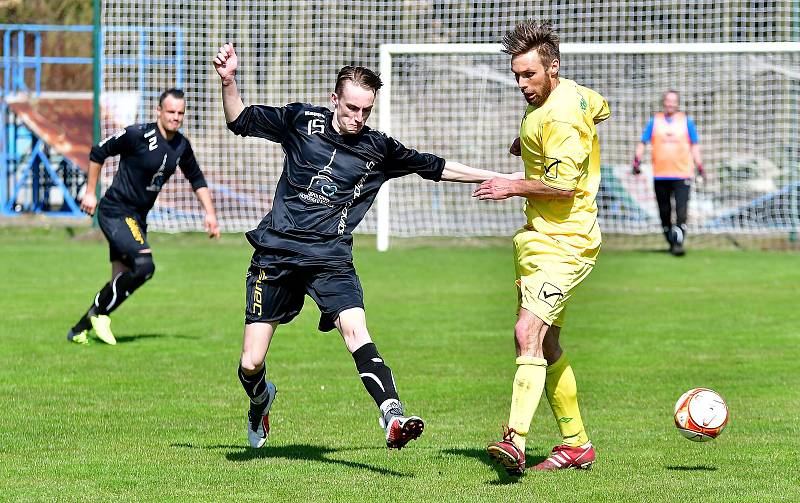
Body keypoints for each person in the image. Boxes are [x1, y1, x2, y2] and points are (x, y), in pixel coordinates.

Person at [213, 43, 518, 450]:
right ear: (334, 99)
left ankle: (392, 414)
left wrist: (503, 178)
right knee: (250, 362)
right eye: (351, 108)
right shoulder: (300, 120)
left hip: (330, 258)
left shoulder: (378, 149)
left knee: (356, 329)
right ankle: (261, 398)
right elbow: (240, 120)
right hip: (277, 253)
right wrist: (229, 81)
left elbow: (437, 166)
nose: (358, 118)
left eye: (365, 111)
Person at [473, 19, 610, 474]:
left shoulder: (563, 115)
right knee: (548, 343)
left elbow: (564, 187)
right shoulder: (571, 95)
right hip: (540, 241)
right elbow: (601, 107)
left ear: (552, 67)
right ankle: (577, 445)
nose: (521, 84)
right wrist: (530, 146)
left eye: (529, 75)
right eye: (517, 75)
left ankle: (515, 440)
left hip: (565, 243)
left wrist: (510, 186)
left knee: (525, 332)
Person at [67, 88, 220, 345]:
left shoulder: (181, 146)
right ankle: (100, 314)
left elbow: (196, 178)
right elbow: (98, 151)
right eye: (170, 111)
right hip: (115, 211)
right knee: (145, 266)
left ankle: (79, 329)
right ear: (158, 111)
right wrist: (90, 192)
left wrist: (210, 214)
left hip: (137, 218)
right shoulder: (137, 134)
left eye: (180, 113)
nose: (175, 117)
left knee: (120, 280)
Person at [632, 90, 704, 256]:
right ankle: (670, 239)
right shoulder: (655, 121)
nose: (670, 104)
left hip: (682, 174)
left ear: (677, 103)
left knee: (681, 211)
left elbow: (694, 145)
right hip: (660, 175)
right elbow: (643, 142)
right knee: (664, 212)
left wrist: (699, 165)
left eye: (674, 101)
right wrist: (637, 160)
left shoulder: (686, 121)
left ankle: (678, 243)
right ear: (664, 102)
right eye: (668, 101)